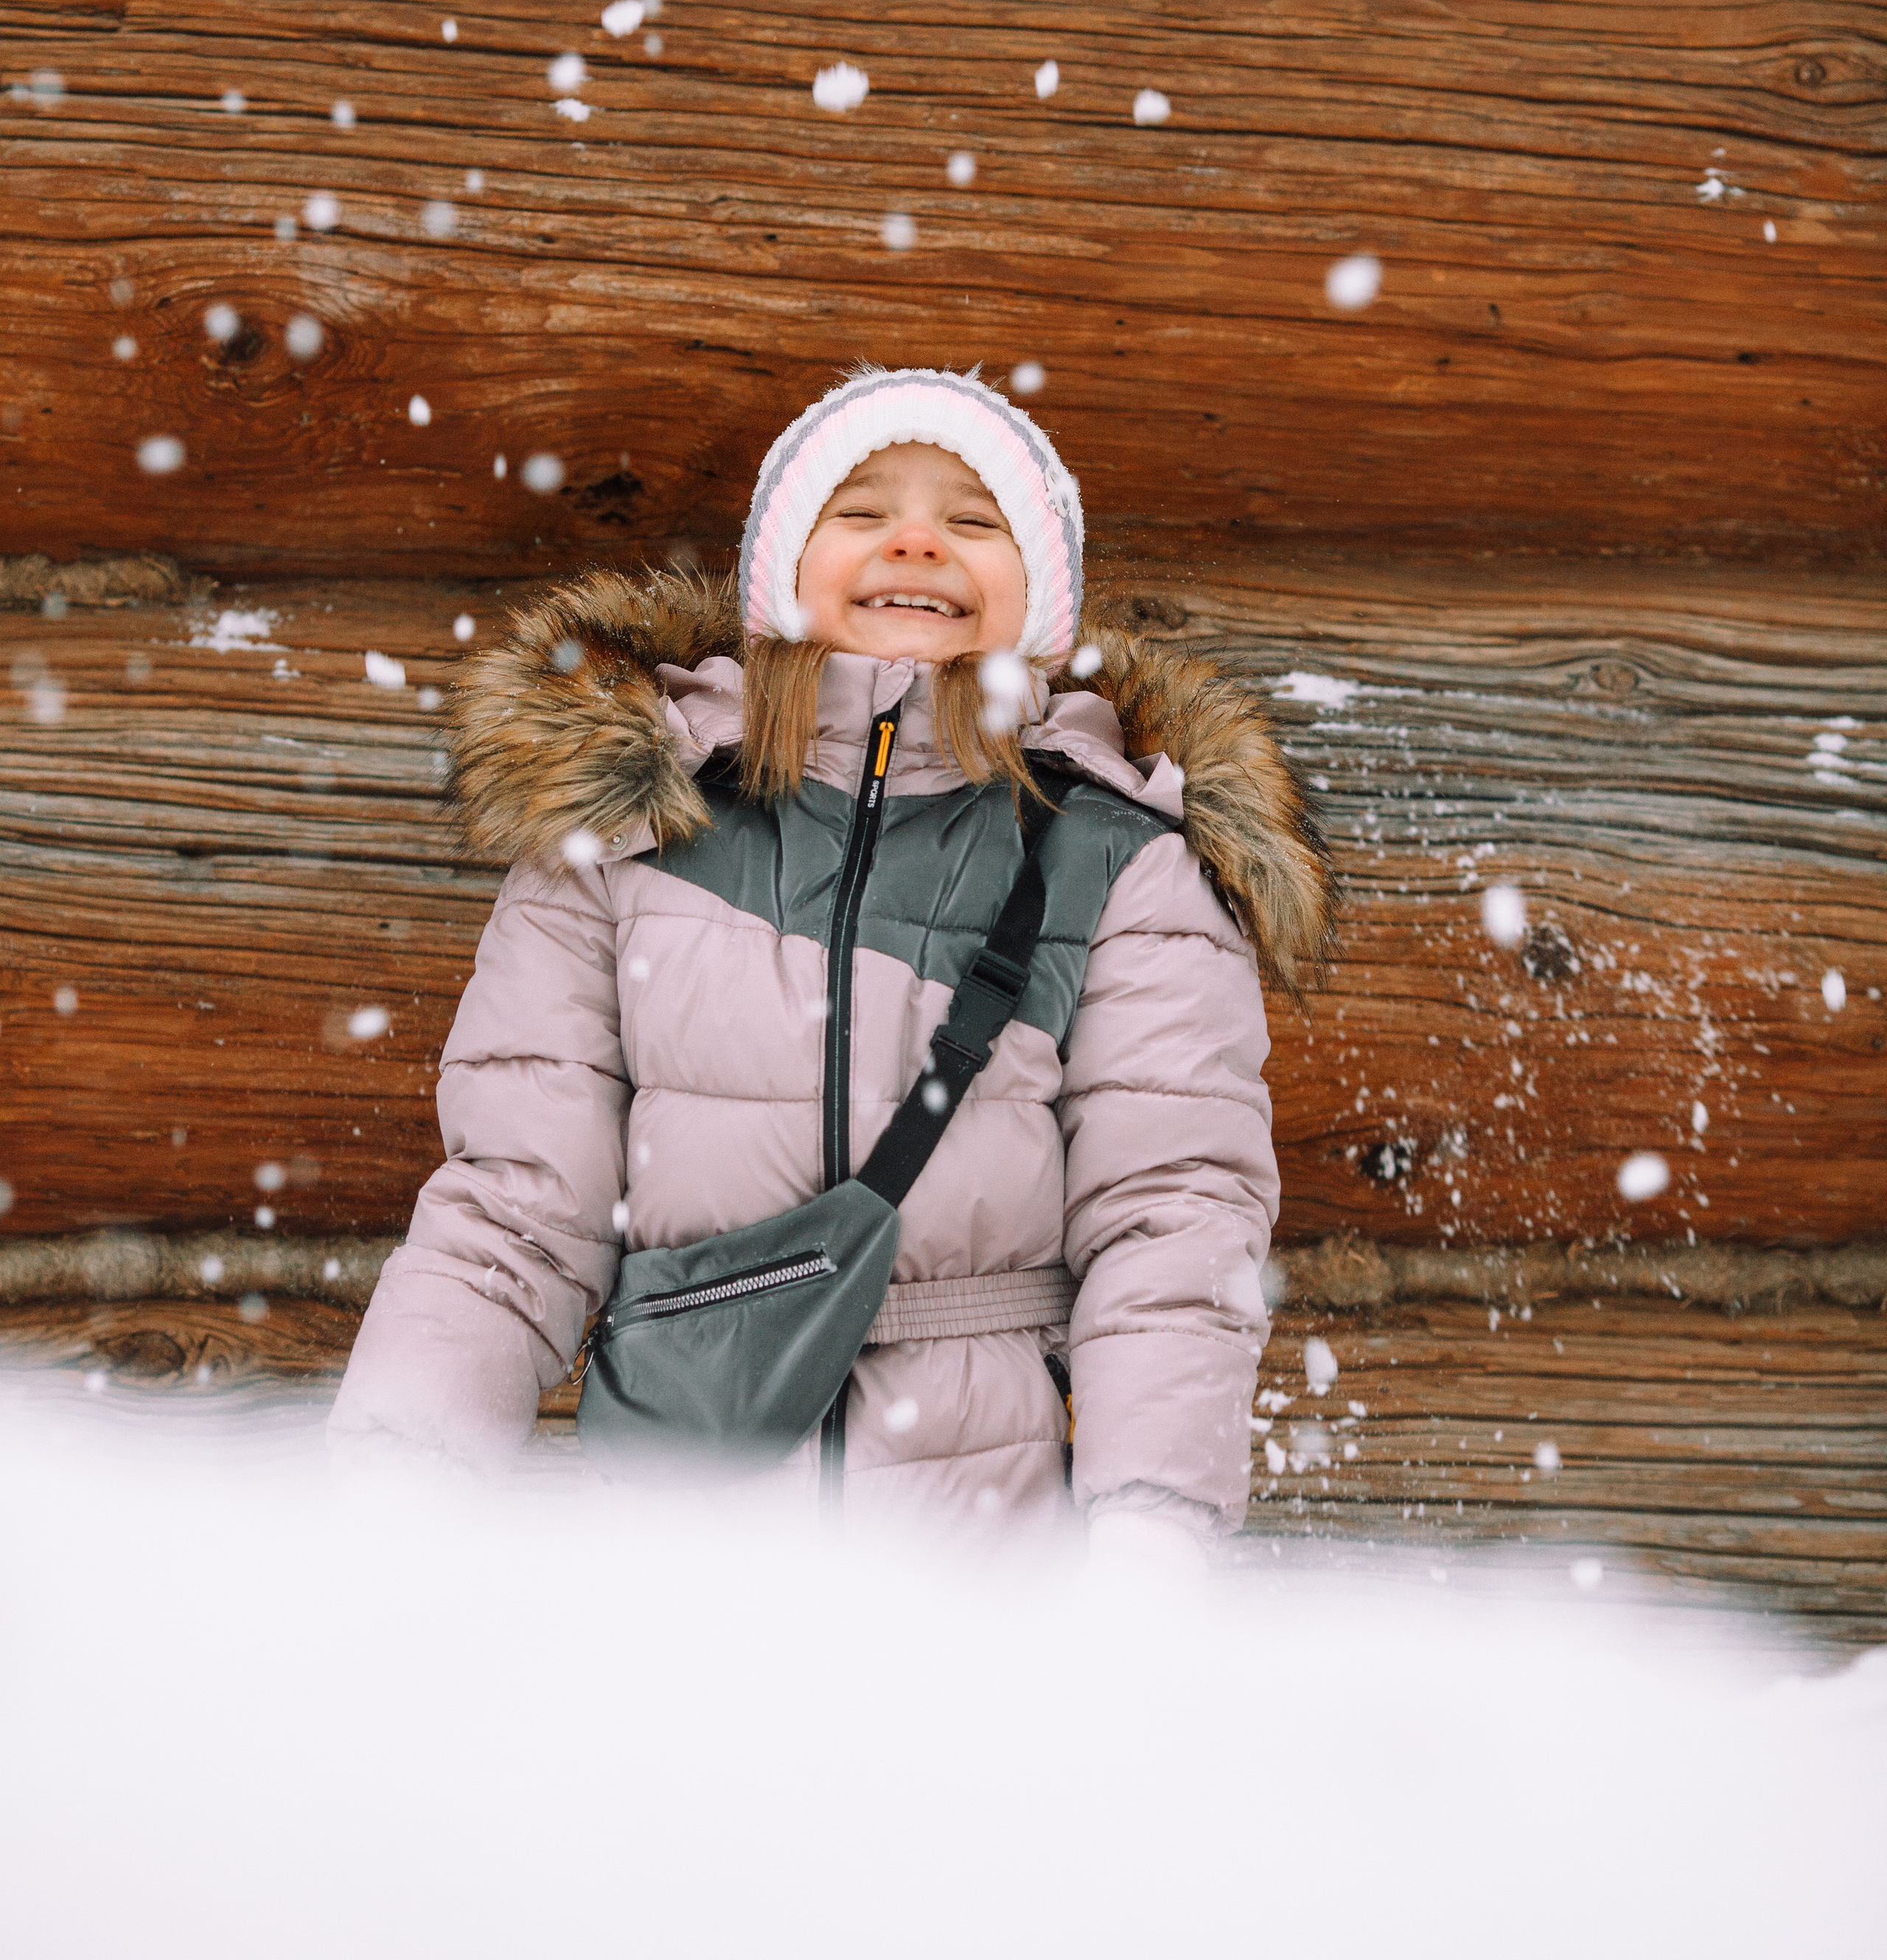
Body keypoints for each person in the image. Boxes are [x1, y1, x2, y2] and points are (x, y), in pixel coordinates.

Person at [329, 366, 1333, 1550]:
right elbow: (514, 1219)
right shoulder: (635, 831)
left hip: (978, 1552)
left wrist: (1152, 1534)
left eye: (972, 522)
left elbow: (1170, 1226)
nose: (916, 543)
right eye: (860, 514)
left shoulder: (1116, 860)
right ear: (781, 578)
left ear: (1042, 604)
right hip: (682, 1544)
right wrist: (398, 1487)